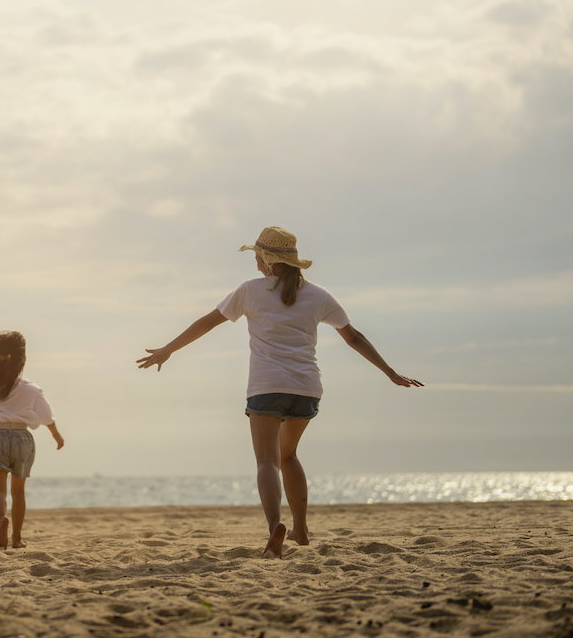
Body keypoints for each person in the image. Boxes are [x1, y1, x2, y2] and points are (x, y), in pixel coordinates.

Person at [137, 227, 422, 558]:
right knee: (289, 455)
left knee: (267, 461)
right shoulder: (319, 295)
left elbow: (208, 322)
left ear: (268, 262)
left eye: (258, 258)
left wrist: (169, 349)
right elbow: (354, 337)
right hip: (306, 389)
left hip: (266, 386)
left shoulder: (250, 291)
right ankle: (300, 529)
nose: (256, 264)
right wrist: (390, 373)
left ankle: (275, 526)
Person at [0, 316, 64, 550]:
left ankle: (0, 520)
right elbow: (47, 416)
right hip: (22, 438)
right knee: (19, 492)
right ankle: (16, 538)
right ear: (22, 359)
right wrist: (56, 435)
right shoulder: (30, 388)